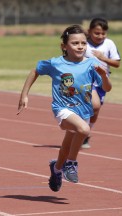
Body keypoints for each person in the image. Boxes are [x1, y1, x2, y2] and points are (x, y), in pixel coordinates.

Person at [17, 25, 112, 192]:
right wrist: (24, 95)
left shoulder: (91, 64)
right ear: (64, 46)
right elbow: (35, 71)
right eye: (75, 43)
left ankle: (57, 168)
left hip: (84, 110)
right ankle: (71, 164)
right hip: (63, 109)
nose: (80, 46)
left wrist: (104, 75)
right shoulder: (56, 63)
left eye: (83, 43)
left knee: (67, 145)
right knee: (83, 130)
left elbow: (107, 88)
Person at [83, 17, 121, 149]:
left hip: (102, 81)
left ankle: (85, 133)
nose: (100, 36)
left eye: (103, 33)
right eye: (96, 33)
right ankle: (81, 131)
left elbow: (117, 63)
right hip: (85, 80)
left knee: (95, 111)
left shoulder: (109, 44)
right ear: (89, 31)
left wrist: (103, 58)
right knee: (94, 106)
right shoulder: (83, 43)